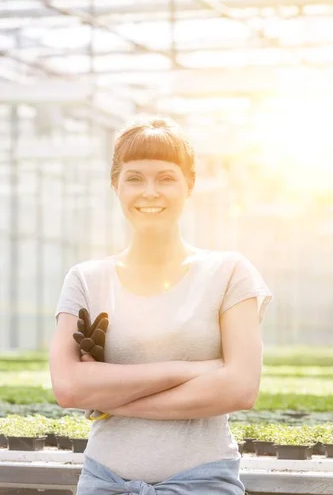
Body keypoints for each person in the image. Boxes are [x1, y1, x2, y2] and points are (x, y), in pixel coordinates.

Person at [50, 115, 274, 495]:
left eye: (166, 177)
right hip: (103, 483)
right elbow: (70, 388)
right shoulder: (86, 279)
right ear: (116, 186)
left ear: (189, 185)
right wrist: (197, 369)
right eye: (134, 178)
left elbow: (239, 389)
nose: (149, 191)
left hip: (204, 483)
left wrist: (109, 398)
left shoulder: (230, 272)